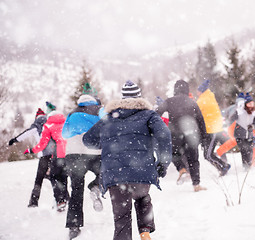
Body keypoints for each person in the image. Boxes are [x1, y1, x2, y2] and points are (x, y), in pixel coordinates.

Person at [83, 80, 172, 240]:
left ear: (122, 99)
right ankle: (145, 230)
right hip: (142, 171)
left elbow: (88, 140)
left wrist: (107, 141)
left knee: (121, 219)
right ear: (139, 97)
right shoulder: (149, 115)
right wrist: (163, 163)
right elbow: (163, 135)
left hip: (115, 175)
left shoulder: (109, 117)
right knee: (142, 197)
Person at [62, 94, 104, 239]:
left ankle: (74, 226)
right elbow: (107, 124)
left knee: (76, 189)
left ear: (80, 103)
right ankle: (95, 186)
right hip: (95, 152)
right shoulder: (99, 110)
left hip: (74, 154)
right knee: (106, 174)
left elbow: (65, 134)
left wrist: (77, 130)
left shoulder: (72, 113)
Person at [156, 80, 207, 191]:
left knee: (175, 154)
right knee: (193, 160)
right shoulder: (192, 102)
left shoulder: (169, 101)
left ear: (175, 90)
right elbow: (201, 121)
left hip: (175, 135)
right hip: (191, 135)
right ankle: (196, 185)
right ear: (187, 90)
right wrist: (203, 138)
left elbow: (156, 114)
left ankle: (182, 169)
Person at [9, 108, 56, 207]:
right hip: (55, 154)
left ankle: (33, 202)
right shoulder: (50, 122)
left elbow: (27, 133)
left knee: (39, 179)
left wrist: (15, 140)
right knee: (55, 177)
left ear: (36, 117)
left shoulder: (37, 124)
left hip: (44, 155)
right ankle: (63, 198)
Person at [24, 108, 69, 210]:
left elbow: (42, 144)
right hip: (68, 155)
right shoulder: (66, 123)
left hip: (57, 156)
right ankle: (65, 198)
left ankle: (60, 200)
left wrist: (31, 150)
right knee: (64, 177)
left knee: (54, 177)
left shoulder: (48, 126)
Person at [196, 79, 231, 176]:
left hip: (212, 130)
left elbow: (196, 114)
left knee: (208, 155)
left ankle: (224, 167)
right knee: (208, 155)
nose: (197, 92)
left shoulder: (202, 100)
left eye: (198, 90)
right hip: (213, 129)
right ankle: (223, 167)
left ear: (201, 91)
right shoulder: (209, 97)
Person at [233, 93, 255, 169]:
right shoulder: (240, 112)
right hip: (240, 135)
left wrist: (252, 126)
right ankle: (246, 167)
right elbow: (233, 119)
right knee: (244, 151)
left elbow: (254, 123)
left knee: (250, 150)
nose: (251, 105)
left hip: (249, 135)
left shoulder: (253, 113)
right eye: (249, 103)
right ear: (246, 104)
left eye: (252, 103)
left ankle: (248, 166)